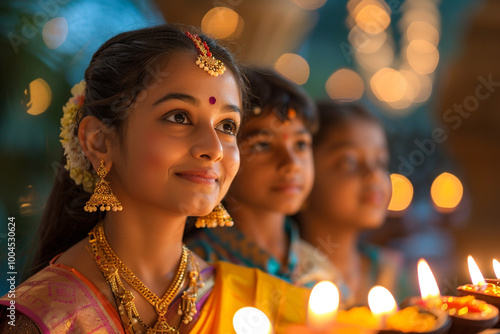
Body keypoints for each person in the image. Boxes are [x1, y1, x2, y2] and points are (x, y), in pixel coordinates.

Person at [0, 25, 308, 333]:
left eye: (227, 126)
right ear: (99, 141)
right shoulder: (48, 316)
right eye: (179, 117)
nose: (214, 149)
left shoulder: (261, 306)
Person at [185, 67, 343, 288]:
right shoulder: (198, 269)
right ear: (223, 154)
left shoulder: (320, 272)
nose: (291, 164)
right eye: (262, 145)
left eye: (300, 145)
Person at [296, 100, 404, 306]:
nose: (374, 176)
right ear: (303, 173)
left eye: (381, 162)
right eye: (349, 162)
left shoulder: (390, 273)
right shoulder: (283, 278)